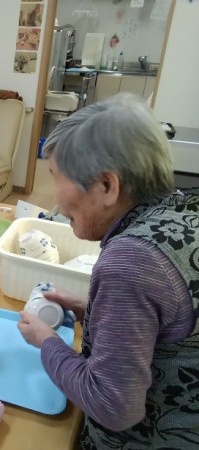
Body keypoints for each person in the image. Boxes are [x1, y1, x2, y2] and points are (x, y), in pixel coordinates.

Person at [17, 94, 199, 448]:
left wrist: (46, 341)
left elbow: (113, 406)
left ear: (107, 186)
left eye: (57, 178)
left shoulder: (131, 261)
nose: (54, 199)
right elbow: (168, 324)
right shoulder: (182, 213)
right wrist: (94, 311)